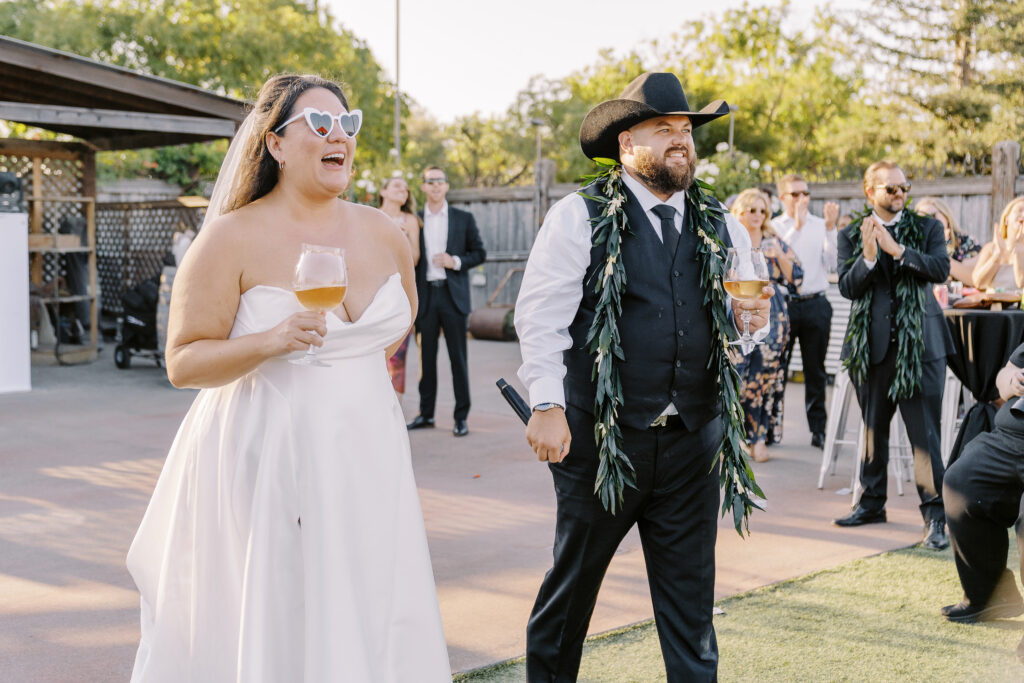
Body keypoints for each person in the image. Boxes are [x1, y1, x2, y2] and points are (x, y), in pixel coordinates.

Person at [126, 74, 450, 682]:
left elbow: (397, 325)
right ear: (275, 144)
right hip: (268, 453)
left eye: (347, 126)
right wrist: (269, 342)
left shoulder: (385, 233)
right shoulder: (230, 237)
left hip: (368, 452)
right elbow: (182, 361)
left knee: (370, 596)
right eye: (320, 125)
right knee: (282, 605)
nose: (340, 138)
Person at [514, 72, 772, 682]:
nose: (681, 141)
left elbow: (742, 330)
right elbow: (541, 314)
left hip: (693, 445)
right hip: (604, 444)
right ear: (626, 144)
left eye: (686, 131)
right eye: (665, 130)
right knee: (570, 592)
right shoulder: (579, 216)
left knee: (690, 606)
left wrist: (751, 321)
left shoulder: (723, 223)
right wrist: (547, 403)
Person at [833, 160, 952, 553]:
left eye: (904, 187)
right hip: (872, 347)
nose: (900, 194)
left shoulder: (928, 228)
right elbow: (849, 289)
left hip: (920, 352)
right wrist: (868, 256)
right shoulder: (852, 233)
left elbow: (939, 269)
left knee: (925, 437)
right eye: (891, 189)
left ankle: (935, 517)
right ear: (870, 192)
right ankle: (871, 504)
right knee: (872, 431)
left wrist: (896, 249)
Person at [940, 341, 1024, 660]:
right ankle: (990, 595)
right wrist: (1011, 382)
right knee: (962, 481)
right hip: (1009, 439)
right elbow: (1004, 375)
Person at [406, 166, 486, 437]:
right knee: (425, 360)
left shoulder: (463, 218)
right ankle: (426, 414)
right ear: (424, 187)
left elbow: (479, 253)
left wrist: (456, 261)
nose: (436, 185)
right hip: (426, 296)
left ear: (447, 186)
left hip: (453, 298)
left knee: (458, 360)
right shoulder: (413, 220)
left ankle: (461, 417)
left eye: (440, 181)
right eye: (431, 181)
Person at [731, 188, 803, 462]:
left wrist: (779, 257)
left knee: (762, 380)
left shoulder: (775, 242)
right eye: (753, 210)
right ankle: (733, 438)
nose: (758, 215)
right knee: (737, 378)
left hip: (773, 317)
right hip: (738, 313)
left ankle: (758, 440)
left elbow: (797, 277)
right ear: (741, 211)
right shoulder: (732, 239)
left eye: (763, 211)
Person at [774, 173, 839, 449]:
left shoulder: (820, 224)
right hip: (784, 304)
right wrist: (796, 228)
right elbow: (775, 256)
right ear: (782, 198)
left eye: (805, 193)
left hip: (815, 303)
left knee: (816, 371)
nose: (802, 199)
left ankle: (819, 431)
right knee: (778, 370)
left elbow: (832, 262)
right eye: (795, 194)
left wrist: (831, 228)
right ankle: (770, 430)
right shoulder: (775, 225)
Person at [379, 175, 421, 398]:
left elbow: (414, 258)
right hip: (371, 291)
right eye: (397, 186)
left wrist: (401, 237)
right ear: (383, 192)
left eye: (406, 189)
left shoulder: (410, 221)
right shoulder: (371, 217)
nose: (403, 191)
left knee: (396, 354)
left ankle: (395, 406)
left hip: (398, 293)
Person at [916, 196, 981, 288]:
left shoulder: (965, 241)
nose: (929, 222)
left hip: (961, 299)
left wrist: (940, 250)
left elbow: (974, 279)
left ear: (946, 216)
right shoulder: (915, 244)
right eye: (922, 219)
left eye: (933, 216)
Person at [972, 196, 1024, 291]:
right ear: (1006, 219)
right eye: (1019, 210)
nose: (1023, 214)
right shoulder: (991, 248)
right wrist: (998, 255)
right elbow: (978, 283)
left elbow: (1021, 283)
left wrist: (1019, 249)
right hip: (996, 305)